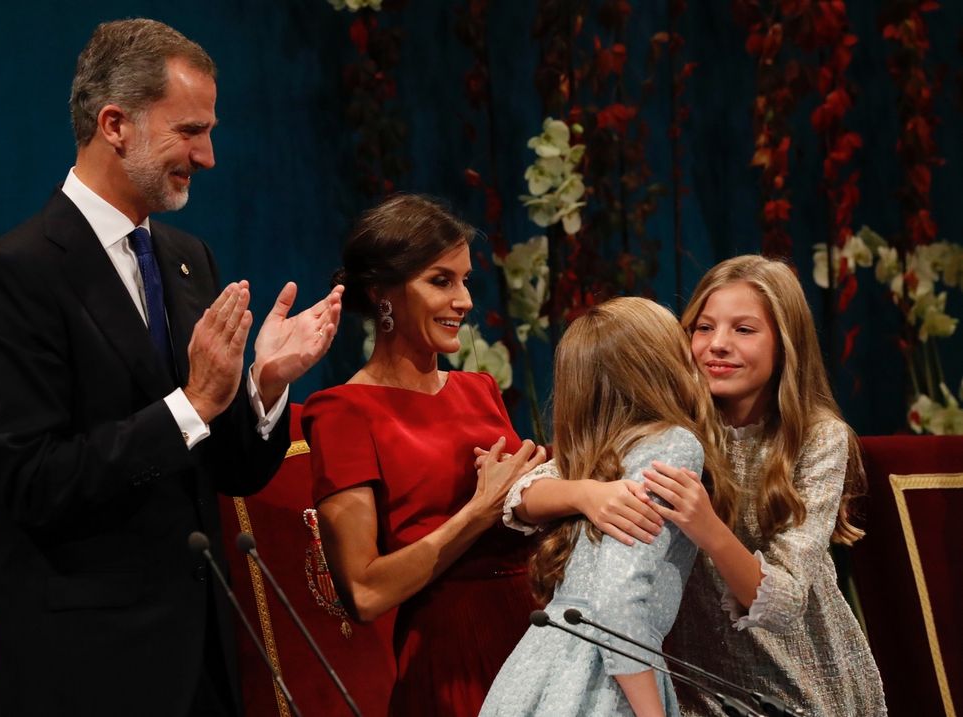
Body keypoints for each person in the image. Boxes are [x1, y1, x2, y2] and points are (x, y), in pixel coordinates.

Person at [0, 19, 342, 717]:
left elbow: (229, 472)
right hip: (87, 666)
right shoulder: (19, 274)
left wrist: (264, 386)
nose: (210, 155)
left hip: (202, 657)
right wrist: (192, 402)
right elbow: (35, 483)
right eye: (190, 130)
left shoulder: (189, 258)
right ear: (114, 124)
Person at [507, 256, 887, 716]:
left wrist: (707, 527)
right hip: (697, 677)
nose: (718, 345)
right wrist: (586, 493)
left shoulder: (817, 437)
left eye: (744, 330)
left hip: (795, 677)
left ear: (785, 345)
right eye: (703, 328)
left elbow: (784, 603)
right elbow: (525, 494)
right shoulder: (670, 424)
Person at [301, 193, 546, 717]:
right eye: (441, 281)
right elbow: (364, 592)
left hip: (534, 638)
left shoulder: (479, 390)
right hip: (451, 659)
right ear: (383, 294)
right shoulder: (344, 412)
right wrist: (477, 514)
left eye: (465, 281)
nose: (464, 301)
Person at [480, 297, 732, 717]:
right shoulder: (673, 444)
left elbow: (522, 494)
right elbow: (618, 600)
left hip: (536, 672)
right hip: (601, 681)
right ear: (661, 365)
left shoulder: (595, 453)